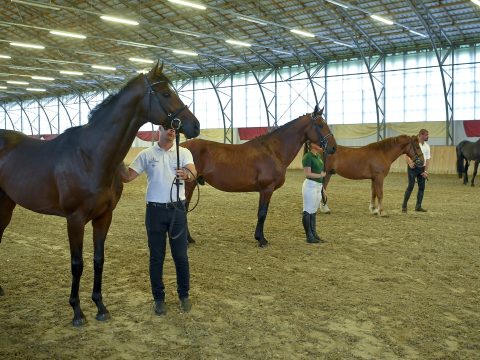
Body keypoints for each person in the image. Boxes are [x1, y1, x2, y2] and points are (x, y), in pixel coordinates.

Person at [120, 125, 197, 315]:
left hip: (177, 211)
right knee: (156, 257)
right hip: (154, 211)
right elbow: (128, 177)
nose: (172, 132)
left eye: (174, 130)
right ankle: (159, 299)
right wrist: (116, 158)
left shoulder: (184, 152)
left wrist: (187, 175)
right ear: (159, 131)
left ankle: (184, 295)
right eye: (168, 129)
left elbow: (193, 172)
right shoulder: (147, 154)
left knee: (181, 256)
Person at [302, 141, 327, 243]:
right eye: (317, 143)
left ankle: (314, 234)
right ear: (311, 145)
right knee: (307, 211)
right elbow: (308, 173)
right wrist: (321, 176)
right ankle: (309, 236)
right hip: (310, 186)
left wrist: (323, 189)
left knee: (313, 211)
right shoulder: (308, 156)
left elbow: (320, 173)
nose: (320, 145)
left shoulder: (318, 157)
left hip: (318, 186)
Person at [402, 129, 431, 213]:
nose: (428, 136)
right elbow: (406, 155)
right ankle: (404, 206)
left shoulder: (427, 146)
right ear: (421, 135)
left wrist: (425, 171)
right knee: (410, 186)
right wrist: (409, 162)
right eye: (426, 135)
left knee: (421, 188)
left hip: (422, 168)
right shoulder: (414, 144)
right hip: (413, 168)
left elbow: (428, 159)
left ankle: (418, 206)